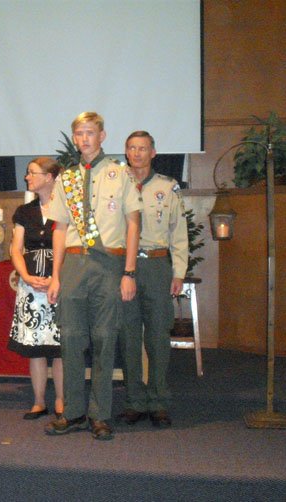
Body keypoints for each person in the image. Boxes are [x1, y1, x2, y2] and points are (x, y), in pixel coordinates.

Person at [45, 112, 142, 440]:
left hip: (108, 266)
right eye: (79, 134)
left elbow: (133, 224)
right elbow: (59, 229)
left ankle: (100, 414)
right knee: (70, 340)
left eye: (90, 132)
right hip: (73, 265)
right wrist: (56, 275)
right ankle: (72, 412)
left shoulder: (120, 174)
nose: (85, 139)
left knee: (104, 340)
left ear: (102, 135)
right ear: (75, 138)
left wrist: (129, 271)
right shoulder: (66, 179)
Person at [118, 131, 188, 428]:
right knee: (129, 335)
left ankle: (158, 401)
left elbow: (178, 233)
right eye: (132, 148)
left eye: (143, 148)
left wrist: (179, 271)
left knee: (158, 336)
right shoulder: (115, 186)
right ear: (126, 152)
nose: (137, 153)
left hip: (158, 266)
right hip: (124, 269)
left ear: (153, 152)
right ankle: (135, 400)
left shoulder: (168, 187)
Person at [8, 157, 64, 420]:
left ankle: (63, 401)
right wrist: (26, 276)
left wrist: (56, 278)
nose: (27, 177)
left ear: (50, 177)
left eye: (32, 173)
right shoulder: (24, 211)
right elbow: (15, 249)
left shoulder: (67, 209)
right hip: (31, 285)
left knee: (60, 346)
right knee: (36, 346)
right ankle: (39, 401)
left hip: (59, 283)